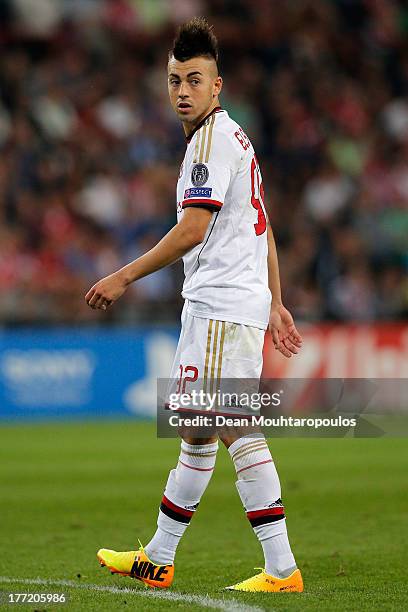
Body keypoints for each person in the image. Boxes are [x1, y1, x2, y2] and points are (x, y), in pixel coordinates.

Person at [86, 17, 304, 593]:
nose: (182, 90)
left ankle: (282, 568)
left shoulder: (209, 143)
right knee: (200, 429)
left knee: (229, 428)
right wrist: (277, 302)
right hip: (237, 303)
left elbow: (191, 229)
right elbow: (263, 227)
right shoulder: (235, 137)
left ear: (217, 86)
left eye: (194, 79)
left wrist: (123, 276)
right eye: (174, 79)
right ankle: (160, 556)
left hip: (220, 308)